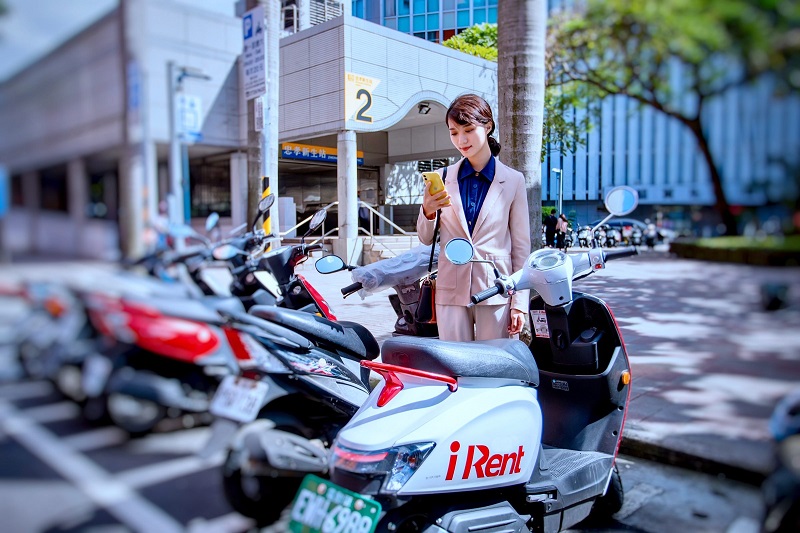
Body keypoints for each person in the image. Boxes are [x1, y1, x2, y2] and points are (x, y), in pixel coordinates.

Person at [417, 94, 531, 342]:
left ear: (488, 126)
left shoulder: (513, 180)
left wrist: (519, 303)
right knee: (456, 367)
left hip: (496, 287)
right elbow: (426, 238)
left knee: (496, 366)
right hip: (450, 290)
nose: (462, 140)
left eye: (468, 129)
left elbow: (521, 248)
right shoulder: (441, 177)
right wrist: (427, 210)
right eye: (454, 132)